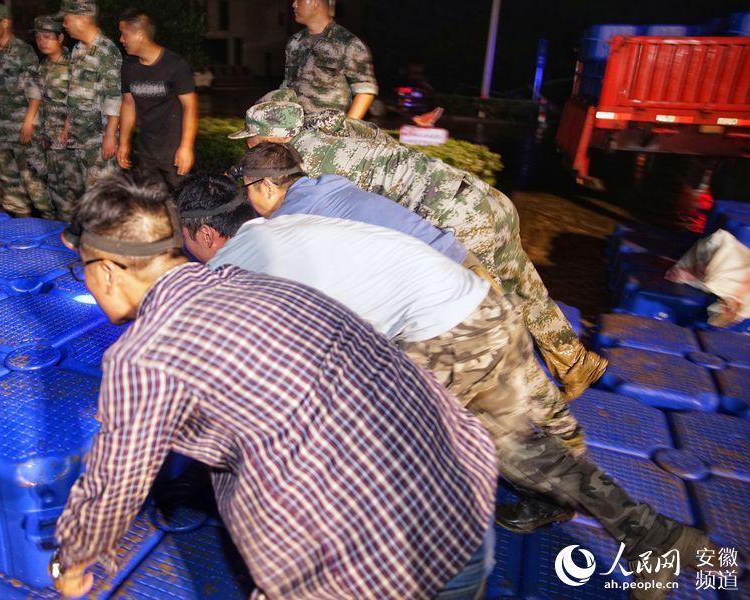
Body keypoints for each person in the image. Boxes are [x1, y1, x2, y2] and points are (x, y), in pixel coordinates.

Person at [177, 174, 719, 598]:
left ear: (205, 234)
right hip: (481, 310)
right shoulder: (283, 227)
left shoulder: (236, 266)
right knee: (524, 454)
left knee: (368, 460)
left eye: (186, 243)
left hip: (442, 335)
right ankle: (663, 540)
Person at [50, 173, 498, 600]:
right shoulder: (261, 282)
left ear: (107, 269)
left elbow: (114, 486)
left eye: (83, 270)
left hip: (379, 562)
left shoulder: (144, 355)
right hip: (466, 504)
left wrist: (70, 564)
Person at [228, 100, 608, 402]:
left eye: (251, 140)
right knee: (520, 286)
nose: (248, 147)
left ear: (273, 139)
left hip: (455, 218)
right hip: (483, 200)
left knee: (483, 308)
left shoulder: (304, 159)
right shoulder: (335, 130)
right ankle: (575, 362)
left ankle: (531, 407)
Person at [0, 3, 52, 219]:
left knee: (34, 182)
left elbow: (35, 91)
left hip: (22, 129)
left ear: (5, 22)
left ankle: (52, 225)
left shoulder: (23, 51)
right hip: (1, 130)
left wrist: (29, 123)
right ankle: (20, 228)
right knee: (10, 184)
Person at [117, 9, 197, 189]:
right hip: (146, 151)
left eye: (124, 34)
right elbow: (128, 104)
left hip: (174, 153)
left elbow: (190, 107)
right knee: (151, 203)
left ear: (139, 35)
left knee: (179, 203)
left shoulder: (175, 65)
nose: (121, 40)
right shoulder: (129, 66)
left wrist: (186, 147)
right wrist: (123, 143)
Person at [56, 0, 122, 218]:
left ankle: (109, 243)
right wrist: (67, 124)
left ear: (82, 19)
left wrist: (111, 136)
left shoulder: (106, 50)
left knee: (103, 196)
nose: (64, 24)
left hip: (99, 136)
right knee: (85, 194)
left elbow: (113, 95)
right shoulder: (77, 49)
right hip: (79, 135)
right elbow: (73, 91)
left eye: (66, 18)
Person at [282, 0, 378, 118]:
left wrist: (347, 128)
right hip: (294, 125)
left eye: (299, 0)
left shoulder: (348, 43)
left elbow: (364, 91)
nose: (294, 4)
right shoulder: (295, 42)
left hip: (328, 130)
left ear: (315, 2)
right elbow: (287, 85)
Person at [25, 15, 80, 219]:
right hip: (50, 141)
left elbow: (81, 103)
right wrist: (31, 125)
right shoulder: (43, 67)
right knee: (58, 193)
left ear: (61, 38)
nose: (42, 42)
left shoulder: (74, 66)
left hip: (71, 144)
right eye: (39, 38)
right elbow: (38, 100)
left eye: (47, 37)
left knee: (78, 193)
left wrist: (68, 126)